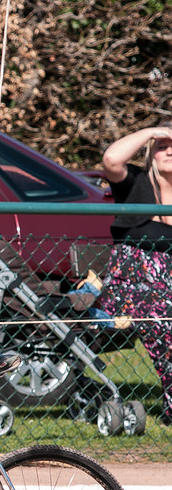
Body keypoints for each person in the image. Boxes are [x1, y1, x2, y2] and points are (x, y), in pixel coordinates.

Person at [97, 123, 172, 423]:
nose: (169, 152)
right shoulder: (136, 184)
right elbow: (111, 160)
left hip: (167, 287)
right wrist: (153, 131)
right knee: (166, 314)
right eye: (162, 147)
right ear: (151, 154)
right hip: (133, 285)